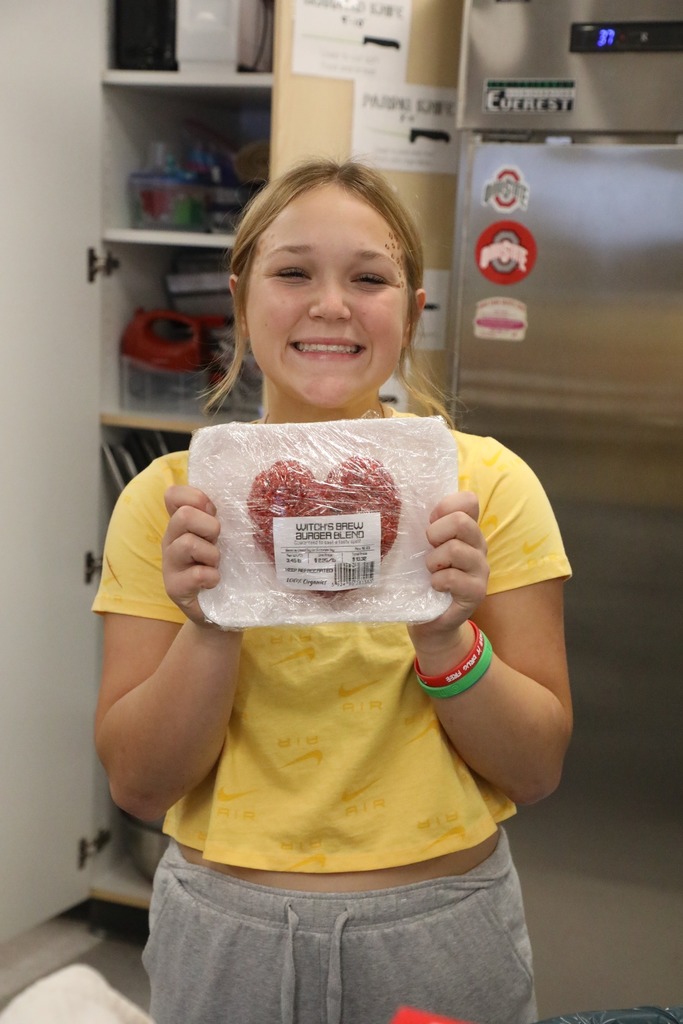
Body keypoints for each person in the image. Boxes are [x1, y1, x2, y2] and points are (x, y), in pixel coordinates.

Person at [93, 158, 573, 1024]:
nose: (330, 304)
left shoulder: (485, 489)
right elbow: (138, 783)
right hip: (224, 927)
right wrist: (212, 620)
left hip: (440, 925)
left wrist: (443, 636)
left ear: (413, 308)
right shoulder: (173, 504)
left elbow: (535, 769)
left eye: (368, 277)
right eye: (292, 272)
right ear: (239, 297)